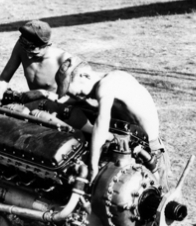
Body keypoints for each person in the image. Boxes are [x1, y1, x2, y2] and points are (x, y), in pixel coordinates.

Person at [56, 57, 170, 190]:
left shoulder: (107, 85)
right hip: (133, 146)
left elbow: (101, 125)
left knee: (154, 198)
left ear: (84, 76)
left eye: (77, 93)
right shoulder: (112, 78)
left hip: (149, 153)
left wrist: (92, 166)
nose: (77, 97)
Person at [0, 20, 72, 102]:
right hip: (31, 103)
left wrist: (44, 93)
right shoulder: (21, 47)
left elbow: (67, 101)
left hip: (52, 106)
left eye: (34, 53)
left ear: (47, 45)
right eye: (25, 50)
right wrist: (0, 93)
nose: (29, 56)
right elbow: (3, 79)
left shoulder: (63, 60)